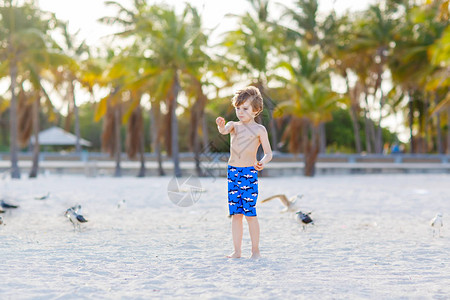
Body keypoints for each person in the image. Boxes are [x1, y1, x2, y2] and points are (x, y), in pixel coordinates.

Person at [215, 86, 273, 259]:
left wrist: (262, 162)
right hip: (233, 172)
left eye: (245, 108)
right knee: (236, 214)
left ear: (256, 110)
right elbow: (224, 130)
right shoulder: (233, 126)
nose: (240, 112)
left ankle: (255, 250)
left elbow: (269, 153)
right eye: (238, 108)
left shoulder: (259, 130)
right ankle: (237, 251)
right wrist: (221, 126)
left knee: (250, 214)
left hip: (249, 173)